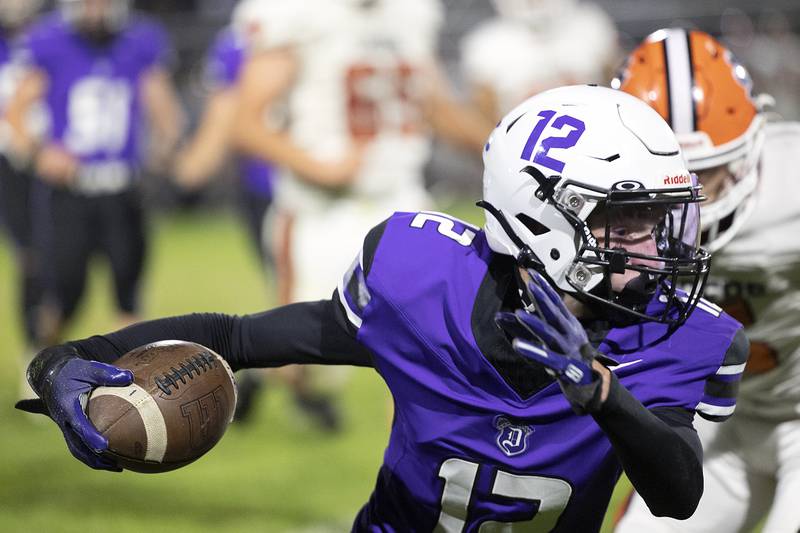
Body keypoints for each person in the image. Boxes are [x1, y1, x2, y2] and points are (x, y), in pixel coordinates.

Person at [17, 85, 748, 531]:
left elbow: (678, 492)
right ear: (542, 219)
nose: (652, 243)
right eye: (627, 220)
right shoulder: (422, 279)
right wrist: (72, 357)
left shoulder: (678, 335)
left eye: (657, 218)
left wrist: (602, 394)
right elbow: (235, 336)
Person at [230, 0, 492, 428]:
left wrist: (503, 147)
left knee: (433, 344)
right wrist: (317, 167)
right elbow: (245, 123)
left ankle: (420, 473)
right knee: (303, 363)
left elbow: (434, 103)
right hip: (320, 211)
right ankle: (262, 374)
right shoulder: (295, 15)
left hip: (402, 200)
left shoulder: (412, 14)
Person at [614, 28, 800, 533]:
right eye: (670, 175)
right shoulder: (602, 201)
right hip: (719, 417)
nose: (688, 201)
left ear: (747, 153)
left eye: (706, 173)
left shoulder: (791, 184)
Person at [4, 0, 184, 351]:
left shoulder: (139, 39)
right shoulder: (49, 40)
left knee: (128, 293)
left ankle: (132, 384)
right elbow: (15, 113)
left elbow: (164, 108)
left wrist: (166, 147)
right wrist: (41, 153)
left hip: (122, 186)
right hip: (70, 190)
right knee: (65, 290)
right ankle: (43, 358)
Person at [173, 20, 277, 422]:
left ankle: (271, 380)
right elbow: (227, 110)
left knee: (310, 296)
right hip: (279, 186)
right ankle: (263, 378)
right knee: (303, 296)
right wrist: (193, 167)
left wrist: (193, 167)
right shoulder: (246, 35)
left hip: (307, 183)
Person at [460, 0, 618, 124]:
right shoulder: (486, 43)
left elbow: (618, 91)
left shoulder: (591, 25)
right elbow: (483, 120)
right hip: (523, 152)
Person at [0, 0, 46, 398]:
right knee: (30, 257)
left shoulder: (53, 37)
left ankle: (44, 352)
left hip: (52, 162)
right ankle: (36, 354)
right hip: (10, 162)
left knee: (60, 263)